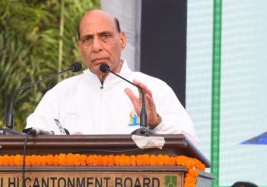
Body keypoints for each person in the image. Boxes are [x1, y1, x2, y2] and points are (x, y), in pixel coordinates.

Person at [26, 9, 198, 145]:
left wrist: (156, 123)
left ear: (122, 40)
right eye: (87, 39)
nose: (96, 47)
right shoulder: (61, 94)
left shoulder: (152, 88)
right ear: (80, 47)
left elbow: (190, 142)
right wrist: (63, 144)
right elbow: (30, 138)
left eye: (105, 36)